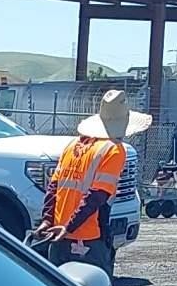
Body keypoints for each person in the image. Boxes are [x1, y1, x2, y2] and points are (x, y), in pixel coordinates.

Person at [30, 89, 133, 273]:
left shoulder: (72, 146)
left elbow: (53, 187)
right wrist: (69, 227)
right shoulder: (114, 150)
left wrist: (48, 220)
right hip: (88, 239)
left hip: (58, 237)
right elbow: (96, 196)